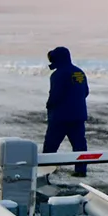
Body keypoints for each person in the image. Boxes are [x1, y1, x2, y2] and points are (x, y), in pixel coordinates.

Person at [44, 46, 91, 177]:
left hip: (60, 117)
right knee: (79, 145)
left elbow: (55, 95)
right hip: (78, 115)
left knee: (50, 146)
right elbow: (86, 91)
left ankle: (45, 170)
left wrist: (49, 105)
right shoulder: (79, 72)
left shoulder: (58, 75)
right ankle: (81, 170)